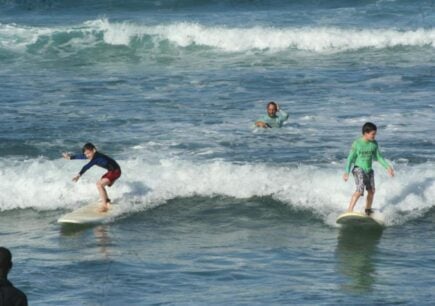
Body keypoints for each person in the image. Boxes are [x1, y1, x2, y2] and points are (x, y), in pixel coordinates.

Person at [343, 122, 394, 215]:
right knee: (359, 190)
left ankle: (368, 210)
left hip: (369, 170)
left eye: (375, 134)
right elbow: (350, 158)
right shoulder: (357, 143)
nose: (374, 136)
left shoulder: (374, 144)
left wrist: (388, 167)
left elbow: (378, 157)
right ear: (366, 133)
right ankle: (349, 210)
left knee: (371, 191)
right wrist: (346, 172)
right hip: (358, 168)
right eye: (373, 134)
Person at [63, 143, 121, 212]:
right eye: (86, 154)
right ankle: (107, 199)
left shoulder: (97, 157)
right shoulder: (91, 155)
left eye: (88, 153)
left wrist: (79, 175)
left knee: (99, 184)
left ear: (94, 150)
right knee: (105, 185)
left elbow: (87, 166)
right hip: (110, 171)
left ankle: (105, 206)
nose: (87, 156)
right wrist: (70, 157)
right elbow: (81, 156)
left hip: (116, 171)